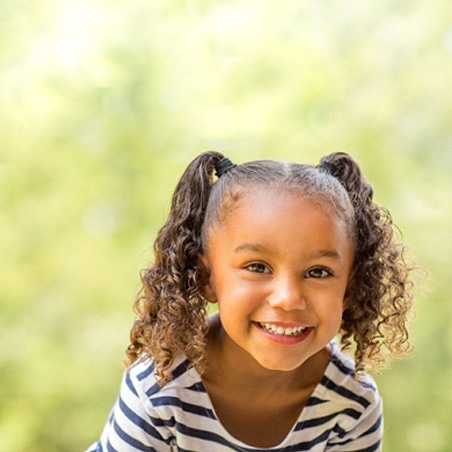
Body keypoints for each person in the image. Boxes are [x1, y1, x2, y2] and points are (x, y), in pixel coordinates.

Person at [86, 151, 414, 451]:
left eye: (317, 272)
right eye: (257, 267)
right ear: (207, 278)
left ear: (349, 287)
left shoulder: (352, 405)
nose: (288, 298)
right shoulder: (159, 386)